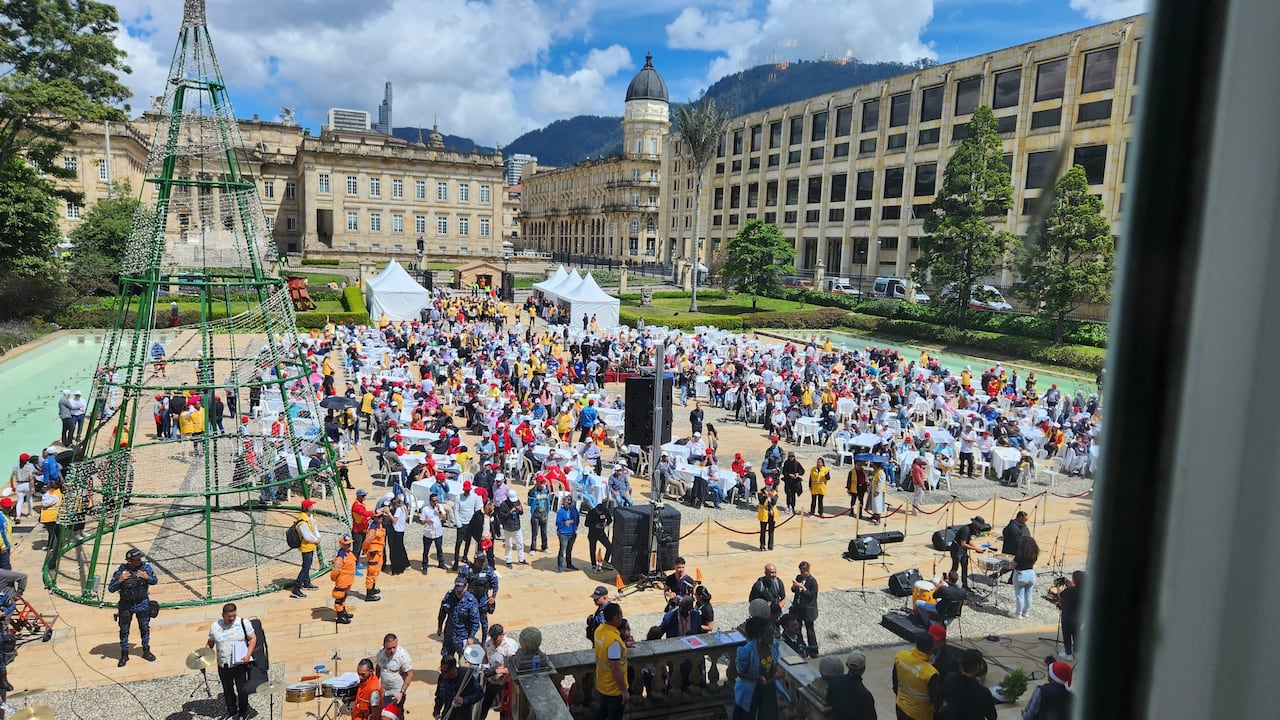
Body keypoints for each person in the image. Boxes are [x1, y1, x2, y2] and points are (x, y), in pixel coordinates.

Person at [207, 602, 257, 720]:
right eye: (229, 616)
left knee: (242, 689)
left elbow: (253, 638)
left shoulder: (243, 623)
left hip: (239, 664)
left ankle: (243, 711)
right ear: (223, 615)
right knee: (227, 689)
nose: (232, 619)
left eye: (234, 616)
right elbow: (210, 643)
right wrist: (204, 658)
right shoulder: (215, 626)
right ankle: (231, 710)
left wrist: (248, 654)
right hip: (223, 665)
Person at [108, 547, 157, 667]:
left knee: (144, 628)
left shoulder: (145, 568)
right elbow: (111, 588)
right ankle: (124, 654)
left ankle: (146, 650)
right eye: (136, 559)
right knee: (124, 630)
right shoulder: (121, 571)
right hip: (126, 605)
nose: (139, 561)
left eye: (139, 559)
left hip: (142, 603)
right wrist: (120, 580)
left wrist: (147, 577)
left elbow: (154, 580)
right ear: (129, 561)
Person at [732, 615, 785, 720]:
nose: (772, 637)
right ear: (759, 635)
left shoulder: (774, 646)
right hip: (751, 689)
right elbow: (740, 673)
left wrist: (777, 671)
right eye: (769, 635)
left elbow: (774, 664)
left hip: (768, 687)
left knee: (769, 714)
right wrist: (758, 678)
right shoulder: (747, 651)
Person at [892, 631, 943, 720]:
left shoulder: (901, 656)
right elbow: (935, 698)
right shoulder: (930, 673)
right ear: (930, 649)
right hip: (920, 715)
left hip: (901, 707)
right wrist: (940, 707)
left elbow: (895, 680)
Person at [592, 602, 630, 720]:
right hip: (614, 688)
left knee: (602, 714)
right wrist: (624, 691)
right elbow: (615, 669)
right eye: (620, 616)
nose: (622, 618)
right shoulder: (614, 641)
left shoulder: (599, 630)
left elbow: (606, 650)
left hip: (602, 683)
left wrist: (623, 645)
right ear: (615, 619)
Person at [942, 648, 997, 720]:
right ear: (978, 666)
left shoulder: (949, 678)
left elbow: (945, 698)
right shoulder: (983, 692)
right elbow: (992, 716)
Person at [480, 623, 519, 718]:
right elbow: (486, 656)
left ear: (502, 635)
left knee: (505, 711)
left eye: (496, 640)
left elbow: (514, 668)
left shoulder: (509, 649)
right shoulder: (488, 642)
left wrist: (497, 671)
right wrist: (484, 666)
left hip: (503, 685)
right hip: (491, 681)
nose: (494, 642)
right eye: (492, 639)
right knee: (483, 707)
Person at [824, 650, 876, 720]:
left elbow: (828, 704)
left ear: (846, 664)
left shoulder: (834, 681)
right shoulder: (865, 695)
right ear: (863, 669)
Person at [433, 654, 483, 720]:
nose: (443, 673)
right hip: (448, 714)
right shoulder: (442, 677)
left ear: (454, 669)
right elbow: (439, 696)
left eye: (445, 671)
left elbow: (480, 693)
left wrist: (464, 700)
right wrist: (436, 712)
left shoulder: (466, 677)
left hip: (462, 716)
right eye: (441, 670)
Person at [375, 633, 413, 714]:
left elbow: (409, 675)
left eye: (394, 647)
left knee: (396, 714)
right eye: (389, 648)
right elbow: (378, 667)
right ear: (384, 646)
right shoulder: (380, 653)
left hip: (397, 692)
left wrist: (401, 693)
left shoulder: (402, 656)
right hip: (384, 690)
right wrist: (376, 682)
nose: (392, 650)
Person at [291, 499, 321, 599]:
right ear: (306, 508)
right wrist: (316, 540)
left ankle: (306, 583)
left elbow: (313, 530)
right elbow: (307, 536)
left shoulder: (307, 518)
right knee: (305, 568)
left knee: (307, 566)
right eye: (311, 506)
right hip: (306, 547)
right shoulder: (303, 521)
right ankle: (296, 589)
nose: (312, 507)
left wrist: (316, 538)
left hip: (310, 546)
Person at [464, 553, 499, 638]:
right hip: (471, 599)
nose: (482, 563)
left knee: (484, 621)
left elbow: (495, 583)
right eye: (480, 561)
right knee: (469, 620)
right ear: (475, 560)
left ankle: (484, 639)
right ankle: (468, 637)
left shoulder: (488, 570)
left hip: (483, 599)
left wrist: (493, 597)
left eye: (483, 561)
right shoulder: (468, 570)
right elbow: (460, 582)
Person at [791, 561, 820, 655]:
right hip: (798, 608)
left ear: (807, 571)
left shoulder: (812, 581)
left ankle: (813, 649)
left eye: (803, 571)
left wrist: (803, 588)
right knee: (797, 629)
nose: (802, 573)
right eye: (801, 571)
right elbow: (794, 590)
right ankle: (800, 647)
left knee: (810, 630)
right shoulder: (799, 578)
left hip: (808, 609)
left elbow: (812, 595)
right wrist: (795, 586)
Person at [950, 516, 987, 589]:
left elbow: (969, 540)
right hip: (956, 549)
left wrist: (976, 548)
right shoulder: (965, 530)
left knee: (965, 566)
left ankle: (965, 585)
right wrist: (975, 548)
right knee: (955, 567)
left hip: (963, 550)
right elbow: (963, 544)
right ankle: (950, 583)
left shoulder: (973, 529)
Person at [1012, 534, 1040, 619]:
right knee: (1028, 595)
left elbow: (1013, 565)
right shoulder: (1034, 553)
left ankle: (1018, 614)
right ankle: (1026, 612)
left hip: (1021, 574)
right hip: (1031, 574)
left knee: (1019, 595)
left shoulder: (1020, 554)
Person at [330, 534, 356, 624]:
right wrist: (334, 578)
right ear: (342, 545)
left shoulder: (348, 553)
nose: (349, 545)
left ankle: (343, 611)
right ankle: (340, 616)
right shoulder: (340, 557)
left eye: (349, 544)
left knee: (344, 597)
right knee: (339, 599)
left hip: (347, 580)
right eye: (346, 544)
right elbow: (335, 571)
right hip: (342, 581)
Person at [1058, 571, 1084, 660]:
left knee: (1067, 634)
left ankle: (1068, 653)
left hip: (1068, 616)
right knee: (1077, 634)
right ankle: (1077, 651)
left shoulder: (1069, 590)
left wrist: (1058, 586)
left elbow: (1060, 595)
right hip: (1079, 616)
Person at [497, 489, 527, 567]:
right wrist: (510, 512)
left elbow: (521, 513)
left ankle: (521, 559)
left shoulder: (517, 501)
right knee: (508, 545)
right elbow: (502, 516)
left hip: (517, 526)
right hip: (508, 527)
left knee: (520, 543)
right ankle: (508, 560)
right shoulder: (503, 504)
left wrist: (520, 510)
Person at [419, 493, 447, 572]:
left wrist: (439, 510)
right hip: (428, 533)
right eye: (433, 501)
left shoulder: (440, 507)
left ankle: (441, 563)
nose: (435, 502)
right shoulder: (425, 509)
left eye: (436, 501)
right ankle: (425, 566)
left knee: (439, 549)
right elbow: (421, 521)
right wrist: (426, 521)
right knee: (426, 551)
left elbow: (444, 517)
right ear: (430, 501)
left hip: (438, 532)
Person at [385, 495, 410, 575]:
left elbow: (394, 520)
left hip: (396, 531)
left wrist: (389, 513)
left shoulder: (399, 509)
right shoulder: (404, 508)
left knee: (395, 551)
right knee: (400, 548)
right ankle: (405, 564)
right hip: (401, 530)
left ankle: (396, 569)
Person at [585, 501, 614, 573]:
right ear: (596, 509)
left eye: (601, 512)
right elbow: (586, 524)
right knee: (592, 549)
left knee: (609, 547)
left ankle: (605, 561)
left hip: (601, 533)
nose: (600, 513)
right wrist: (595, 526)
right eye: (599, 512)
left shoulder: (605, 511)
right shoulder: (591, 512)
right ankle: (593, 564)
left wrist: (606, 524)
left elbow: (610, 520)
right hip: (592, 534)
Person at [363, 515, 386, 601]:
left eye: (381, 516)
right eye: (379, 517)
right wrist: (365, 550)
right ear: (375, 518)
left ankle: (372, 589)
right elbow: (367, 541)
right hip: (373, 553)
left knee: (376, 571)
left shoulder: (379, 525)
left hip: (379, 552)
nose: (381, 518)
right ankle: (369, 594)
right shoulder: (372, 529)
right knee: (371, 572)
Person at [556, 495, 580, 572]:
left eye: (569, 502)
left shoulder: (574, 509)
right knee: (562, 551)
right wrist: (564, 523)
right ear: (563, 503)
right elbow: (557, 523)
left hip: (572, 533)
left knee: (569, 550)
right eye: (567, 502)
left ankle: (569, 564)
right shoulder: (561, 511)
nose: (568, 504)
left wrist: (576, 527)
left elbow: (577, 518)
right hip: (563, 534)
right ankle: (560, 566)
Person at [528, 478, 552, 553]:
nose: (542, 484)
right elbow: (529, 503)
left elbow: (548, 501)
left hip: (544, 514)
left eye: (543, 482)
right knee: (534, 533)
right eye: (541, 482)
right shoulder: (532, 492)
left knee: (544, 533)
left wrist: (547, 511)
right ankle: (533, 548)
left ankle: (544, 547)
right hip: (535, 515)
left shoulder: (546, 490)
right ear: (537, 482)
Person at [350, 488, 373, 559]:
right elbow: (364, 513)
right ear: (358, 496)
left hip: (362, 530)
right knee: (356, 550)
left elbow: (363, 517)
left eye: (365, 495)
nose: (365, 497)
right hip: (357, 531)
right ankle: (354, 563)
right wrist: (374, 512)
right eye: (363, 496)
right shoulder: (356, 506)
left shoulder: (362, 504)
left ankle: (357, 562)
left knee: (360, 548)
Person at [757, 480, 779, 551]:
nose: (769, 486)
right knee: (763, 530)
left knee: (771, 530)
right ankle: (762, 545)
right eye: (768, 484)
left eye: (770, 484)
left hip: (772, 513)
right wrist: (766, 496)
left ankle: (770, 545)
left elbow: (774, 502)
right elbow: (761, 501)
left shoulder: (774, 492)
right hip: (764, 512)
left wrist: (771, 496)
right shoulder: (761, 492)